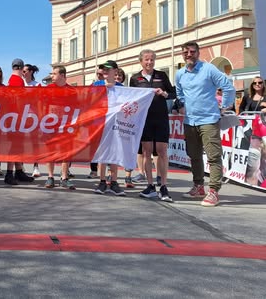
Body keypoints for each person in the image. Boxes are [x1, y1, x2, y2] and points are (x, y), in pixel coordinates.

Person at [176, 41, 235, 207]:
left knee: (213, 156)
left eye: (192, 52)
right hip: (189, 121)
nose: (189, 55)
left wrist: (224, 106)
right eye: (186, 52)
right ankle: (198, 186)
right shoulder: (180, 74)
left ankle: (214, 191)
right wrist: (181, 104)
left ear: (198, 53)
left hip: (209, 120)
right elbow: (179, 92)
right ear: (182, 54)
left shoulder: (209, 69)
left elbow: (228, 86)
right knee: (194, 155)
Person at [129, 49, 175, 202]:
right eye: (146, 59)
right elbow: (131, 98)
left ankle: (163, 186)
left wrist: (164, 94)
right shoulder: (135, 79)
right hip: (144, 119)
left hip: (161, 118)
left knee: (162, 151)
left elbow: (173, 93)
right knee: (146, 152)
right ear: (141, 61)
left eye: (152, 59)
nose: (149, 62)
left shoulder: (161, 75)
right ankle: (150, 185)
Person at [92, 60, 125, 196]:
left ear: (115, 71)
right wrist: (103, 89)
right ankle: (102, 181)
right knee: (102, 153)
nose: (105, 71)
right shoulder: (96, 85)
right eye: (103, 69)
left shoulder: (121, 87)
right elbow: (89, 101)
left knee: (114, 153)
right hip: (101, 124)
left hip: (115, 124)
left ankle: (114, 182)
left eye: (108, 69)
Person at [44, 66, 76, 190]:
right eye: (51, 73)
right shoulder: (48, 89)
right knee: (50, 150)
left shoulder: (71, 90)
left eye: (54, 74)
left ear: (62, 75)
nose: (51, 76)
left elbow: (76, 107)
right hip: (50, 124)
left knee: (66, 152)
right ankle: (50, 177)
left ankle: (64, 177)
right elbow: (41, 104)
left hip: (66, 124)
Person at [3, 58, 34, 186]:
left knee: (18, 145)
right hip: (15, 117)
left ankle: (19, 171)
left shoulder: (11, 79)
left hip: (13, 116)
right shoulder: (17, 80)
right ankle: (9, 173)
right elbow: (18, 100)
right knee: (14, 146)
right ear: (21, 69)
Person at [23, 64, 43, 177]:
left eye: (25, 71)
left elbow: (40, 101)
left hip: (33, 116)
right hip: (20, 117)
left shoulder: (37, 85)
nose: (23, 73)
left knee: (34, 142)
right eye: (22, 71)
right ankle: (20, 166)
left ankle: (36, 167)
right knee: (20, 142)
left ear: (30, 72)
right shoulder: (19, 84)